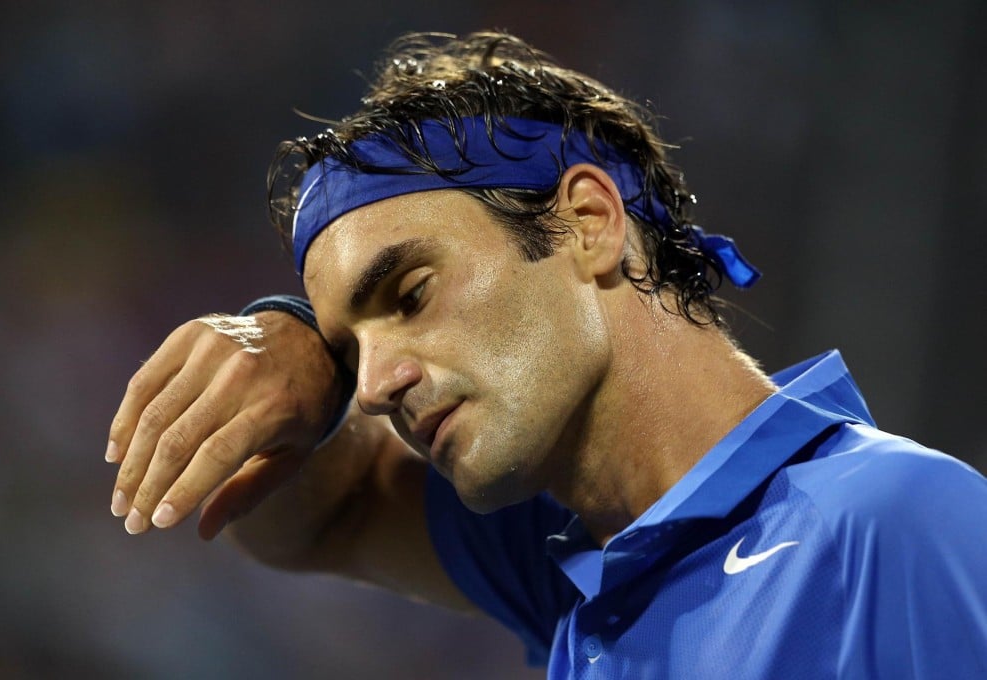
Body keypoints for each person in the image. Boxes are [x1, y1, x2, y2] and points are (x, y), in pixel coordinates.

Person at [105, 31, 987, 678]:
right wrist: (306, 356)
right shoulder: (584, 565)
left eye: (411, 295)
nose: (373, 385)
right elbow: (312, 517)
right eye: (352, 349)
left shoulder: (894, 524)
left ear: (589, 224)